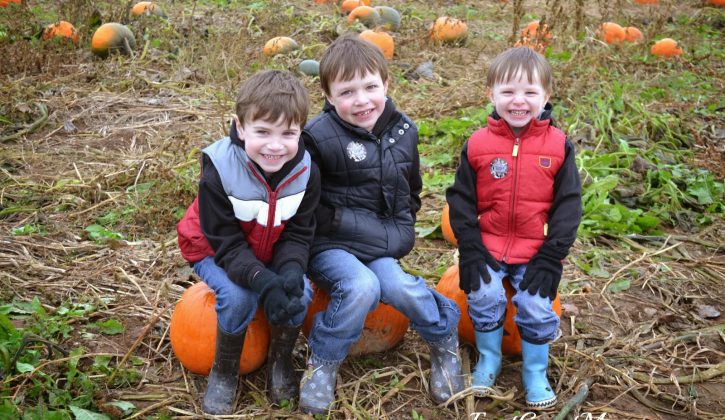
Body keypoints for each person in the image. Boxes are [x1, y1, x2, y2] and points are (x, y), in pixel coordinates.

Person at [298, 33, 464, 415]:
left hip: (379, 246)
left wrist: (394, 231)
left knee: (400, 287)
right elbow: (310, 208)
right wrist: (361, 231)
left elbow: (411, 190)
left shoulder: (405, 132)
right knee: (360, 285)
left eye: (370, 87)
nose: (361, 100)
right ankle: (323, 361)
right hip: (330, 245)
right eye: (347, 92)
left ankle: (443, 340)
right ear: (328, 94)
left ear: (386, 84)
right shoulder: (318, 138)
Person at [176, 70, 320, 415]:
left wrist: (288, 270)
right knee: (238, 297)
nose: (275, 145)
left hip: (269, 249)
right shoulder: (220, 170)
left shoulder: (306, 171)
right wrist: (261, 281)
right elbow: (225, 243)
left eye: (288, 133)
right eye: (262, 132)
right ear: (240, 127)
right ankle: (224, 372)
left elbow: (300, 232)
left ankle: (280, 362)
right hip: (213, 249)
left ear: (301, 129)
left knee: (298, 291)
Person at [446, 47, 582, 409]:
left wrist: (553, 254)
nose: (518, 101)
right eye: (507, 92)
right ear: (490, 94)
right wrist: (471, 246)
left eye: (530, 93)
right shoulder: (478, 144)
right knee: (484, 295)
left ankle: (535, 371)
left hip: (535, 249)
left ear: (546, 97)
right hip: (489, 245)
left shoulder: (558, 147)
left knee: (537, 307)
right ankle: (489, 358)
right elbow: (460, 199)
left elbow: (569, 204)